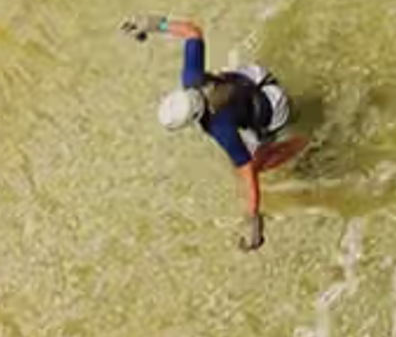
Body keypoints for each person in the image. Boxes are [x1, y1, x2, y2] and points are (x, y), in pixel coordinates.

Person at [122, 13, 303, 252]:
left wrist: (252, 220)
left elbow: (247, 171)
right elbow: (192, 31)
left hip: (274, 105)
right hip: (253, 77)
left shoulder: (219, 127)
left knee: (256, 164)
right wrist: (154, 24)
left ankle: (303, 141)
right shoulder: (191, 78)